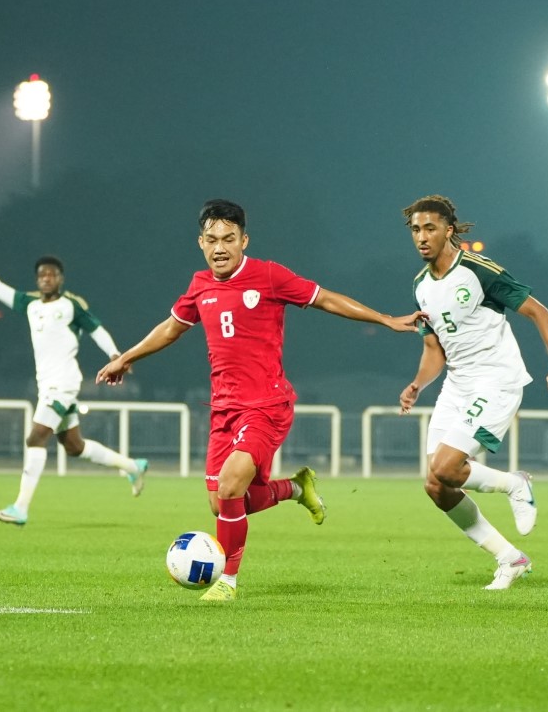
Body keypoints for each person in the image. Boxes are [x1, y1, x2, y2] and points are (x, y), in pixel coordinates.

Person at [97, 199, 424, 602]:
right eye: (212, 239)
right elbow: (170, 329)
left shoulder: (268, 276)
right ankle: (295, 489)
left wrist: (385, 319)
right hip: (223, 409)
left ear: (243, 240)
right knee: (222, 504)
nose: (220, 247)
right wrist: (125, 359)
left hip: (266, 405)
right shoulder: (200, 285)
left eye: (229, 239)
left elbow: (326, 298)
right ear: (201, 242)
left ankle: (227, 582)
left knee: (233, 484)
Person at [397, 194, 548, 591]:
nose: (421, 237)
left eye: (429, 228)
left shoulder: (478, 270)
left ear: (448, 230)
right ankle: (510, 558)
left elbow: (538, 311)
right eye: (415, 230)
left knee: (446, 467)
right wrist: (417, 385)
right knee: (436, 484)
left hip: (496, 379)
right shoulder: (421, 286)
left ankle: (516, 484)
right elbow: (433, 349)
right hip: (457, 385)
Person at [0, 221, 148, 526]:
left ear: (61, 278)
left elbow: (97, 329)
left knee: (36, 436)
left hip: (63, 384)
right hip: (47, 385)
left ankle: (20, 508)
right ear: (37, 280)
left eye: (52, 274)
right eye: (41, 275)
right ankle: (132, 465)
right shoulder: (29, 305)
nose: (46, 278)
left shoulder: (71, 306)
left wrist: (116, 355)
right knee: (74, 446)